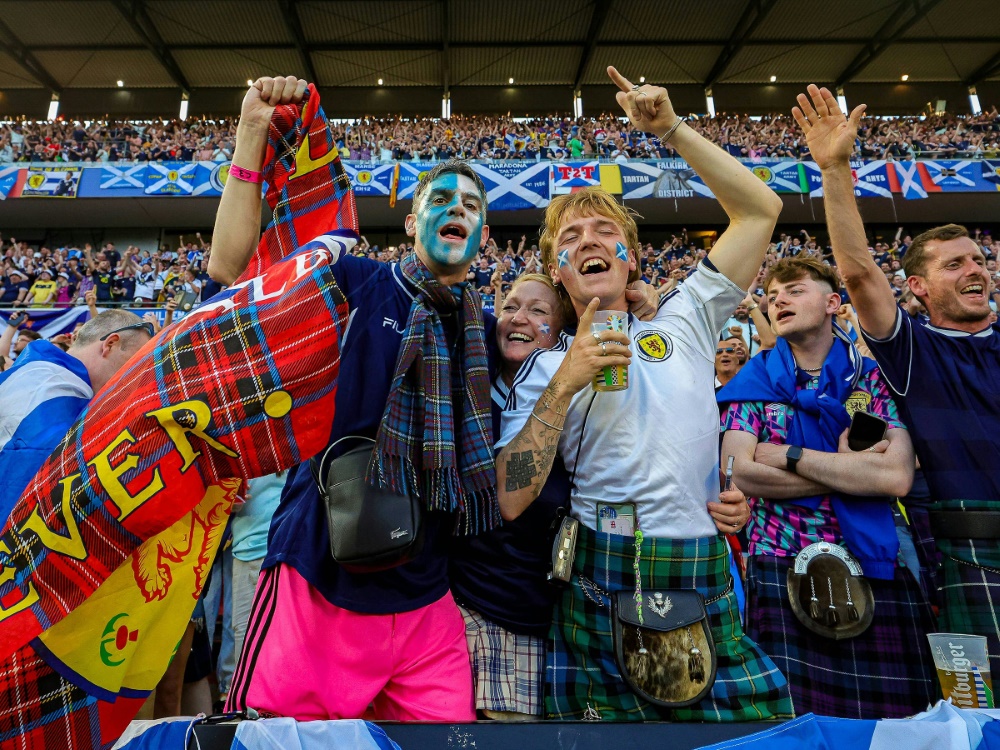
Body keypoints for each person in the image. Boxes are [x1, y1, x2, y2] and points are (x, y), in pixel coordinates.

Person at [496, 67, 791, 722]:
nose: (587, 242)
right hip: (600, 572)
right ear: (558, 272)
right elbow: (511, 496)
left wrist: (670, 129)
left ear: (631, 256)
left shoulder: (685, 319)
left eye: (604, 232)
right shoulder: (542, 368)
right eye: (569, 239)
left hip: (700, 561)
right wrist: (567, 381)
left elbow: (760, 210)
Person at [217, 76, 498, 722]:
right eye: (442, 198)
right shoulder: (352, 283)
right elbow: (235, 273)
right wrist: (252, 131)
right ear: (410, 220)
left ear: (482, 233)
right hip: (319, 578)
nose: (458, 208)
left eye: (473, 204)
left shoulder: (484, 330)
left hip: (425, 598)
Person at [793, 84, 1000, 677]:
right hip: (968, 550)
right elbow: (857, 276)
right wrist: (834, 169)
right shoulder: (913, 347)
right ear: (918, 288)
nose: (974, 271)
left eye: (979, 261)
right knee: (979, 720)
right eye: (954, 264)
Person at [718, 256, 936, 719]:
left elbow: (894, 477)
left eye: (795, 290)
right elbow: (738, 471)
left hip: (873, 562)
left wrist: (790, 455)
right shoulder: (752, 381)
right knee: (793, 722)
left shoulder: (871, 379)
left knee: (899, 728)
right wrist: (851, 473)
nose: (779, 300)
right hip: (777, 562)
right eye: (772, 295)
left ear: (834, 302)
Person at [0, 309, 153, 529]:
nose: (135, 376)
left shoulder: (33, 371)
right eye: (134, 363)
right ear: (110, 344)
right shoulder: (55, 398)